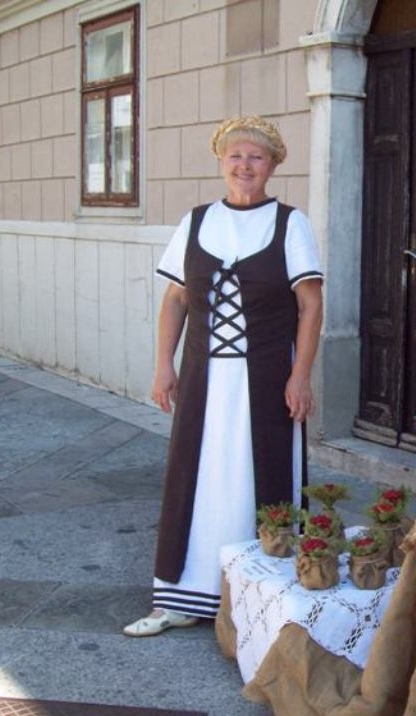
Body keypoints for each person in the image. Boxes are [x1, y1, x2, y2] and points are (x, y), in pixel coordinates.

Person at [123, 116, 323, 636]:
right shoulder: (196, 222)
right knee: (199, 478)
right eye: (236, 155)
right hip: (203, 378)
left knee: (261, 481)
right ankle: (181, 598)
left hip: (268, 378)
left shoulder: (290, 223)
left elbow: (310, 305)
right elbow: (175, 300)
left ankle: (264, 601)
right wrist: (164, 364)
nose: (244, 165)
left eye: (256, 157)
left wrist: (300, 376)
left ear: (273, 165)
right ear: (221, 161)